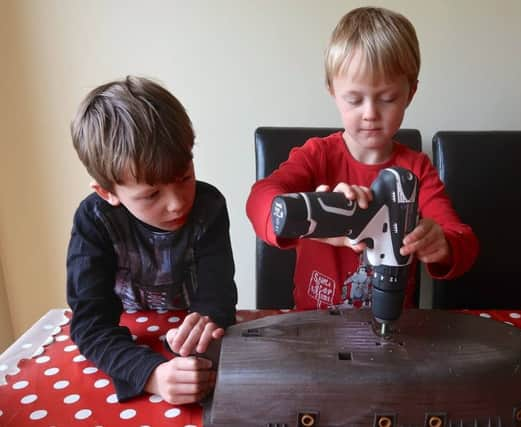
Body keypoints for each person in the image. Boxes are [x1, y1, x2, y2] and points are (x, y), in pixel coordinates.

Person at [246, 7, 479, 310]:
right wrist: (313, 219)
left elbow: (464, 241)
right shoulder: (317, 156)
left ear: (410, 93)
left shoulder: (415, 170)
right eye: (354, 99)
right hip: (314, 327)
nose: (370, 114)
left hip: (391, 330)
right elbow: (258, 201)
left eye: (387, 98)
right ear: (332, 90)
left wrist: (442, 245)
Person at [67, 76, 237, 404]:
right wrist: (151, 375)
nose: (177, 203)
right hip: (129, 351)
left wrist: (209, 320)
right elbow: (90, 325)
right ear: (107, 192)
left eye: (185, 177)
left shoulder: (209, 206)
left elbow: (218, 295)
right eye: (152, 194)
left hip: (193, 351)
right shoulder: (93, 221)